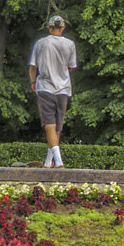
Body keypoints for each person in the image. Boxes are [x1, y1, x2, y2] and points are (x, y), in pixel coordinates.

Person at [28, 15, 78, 168]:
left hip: (45, 86)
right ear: (63, 27)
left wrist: (33, 82)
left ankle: (59, 161)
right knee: (57, 126)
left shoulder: (40, 43)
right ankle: (48, 162)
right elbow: (71, 67)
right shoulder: (70, 44)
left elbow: (33, 67)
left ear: (49, 27)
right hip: (63, 88)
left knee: (49, 125)